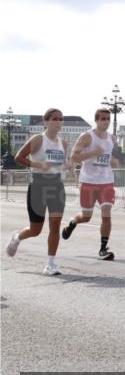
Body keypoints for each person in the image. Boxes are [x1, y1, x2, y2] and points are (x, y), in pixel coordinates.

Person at [6, 108, 73, 274]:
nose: (59, 122)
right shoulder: (38, 139)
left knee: (55, 226)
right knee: (35, 230)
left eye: (61, 119)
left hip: (57, 186)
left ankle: (50, 264)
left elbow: (62, 165)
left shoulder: (63, 143)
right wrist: (38, 164)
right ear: (46, 121)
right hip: (38, 185)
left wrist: (69, 166)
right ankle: (17, 237)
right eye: (55, 118)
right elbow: (18, 157)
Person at [61, 108, 122, 260]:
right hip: (88, 181)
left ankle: (103, 249)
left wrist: (114, 162)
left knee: (106, 213)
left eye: (108, 118)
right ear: (96, 120)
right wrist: (92, 153)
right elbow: (74, 157)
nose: (106, 121)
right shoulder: (87, 136)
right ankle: (73, 223)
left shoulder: (112, 138)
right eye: (103, 118)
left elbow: (110, 158)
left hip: (107, 182)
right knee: (86, 216)